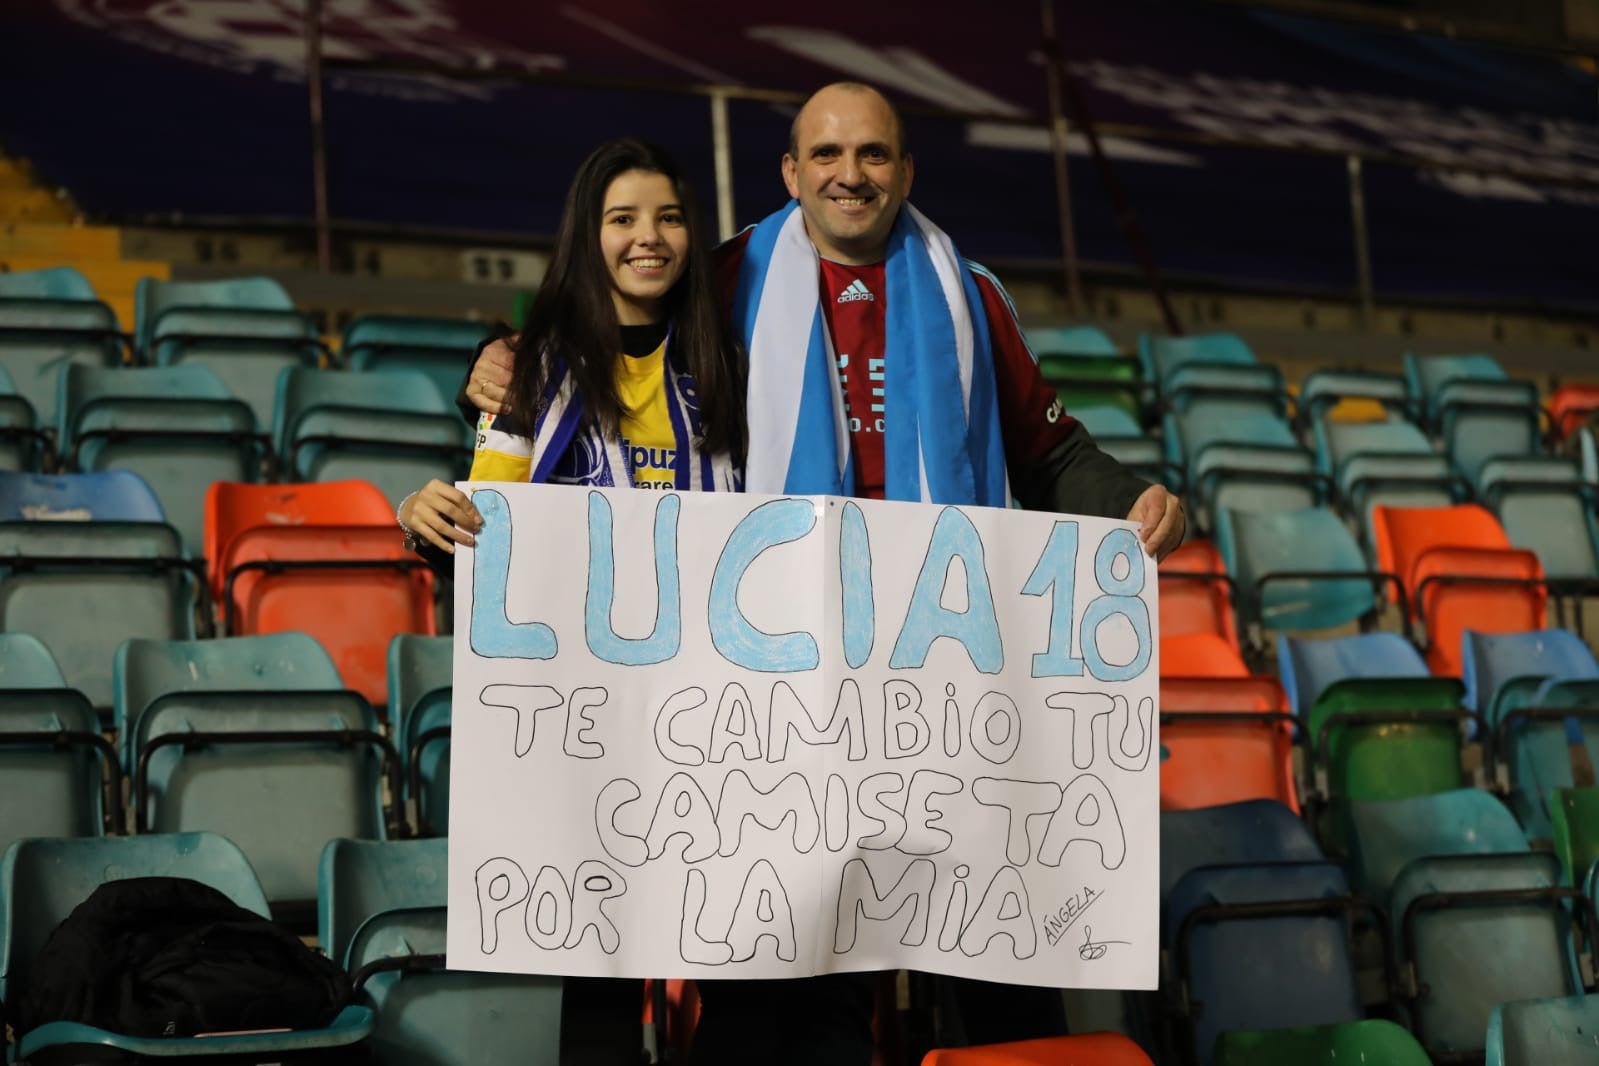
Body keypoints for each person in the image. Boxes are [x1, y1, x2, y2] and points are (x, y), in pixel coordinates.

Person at [457, 84, 1186, 1064]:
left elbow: (1053, 455)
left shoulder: (970, 298)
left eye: (875, 154)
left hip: (937, 684)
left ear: (906, 170)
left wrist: (1136, 500)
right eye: (829, 154)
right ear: (791, 172)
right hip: (779, 692)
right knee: (796, 977)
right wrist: (497, 352)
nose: (853, 173)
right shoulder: (722, 281)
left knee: (993, 956)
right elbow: (599, 327)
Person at [396, 136, 746, 1066]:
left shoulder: (736, 367)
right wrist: (426, 519)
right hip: (596, 733)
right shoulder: (532, 373)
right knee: (602, 980)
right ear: (585, 238)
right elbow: (488, 535)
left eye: (669, 217)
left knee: (743, 979)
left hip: (725, 727)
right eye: (622, 219)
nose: (649, 238)